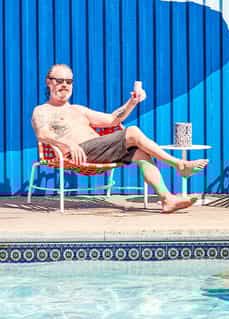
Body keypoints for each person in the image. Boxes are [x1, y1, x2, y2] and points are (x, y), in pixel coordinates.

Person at [31, 64, 208, 213]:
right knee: (132, 131)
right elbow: (43, 134)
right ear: (48, 82)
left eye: (68, 81)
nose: (64, 85)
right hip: (76, 154)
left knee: (140, 153)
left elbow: (113, 120)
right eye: (59, 81)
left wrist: (132, 102)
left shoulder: (78, 109)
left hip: (98, 152)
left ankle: (167, 199)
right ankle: (180, 164)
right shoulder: (42, 110)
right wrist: (68, 143)